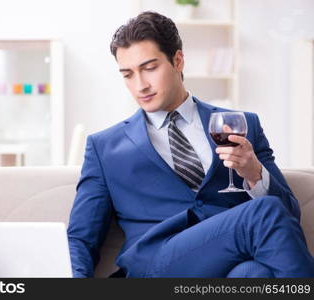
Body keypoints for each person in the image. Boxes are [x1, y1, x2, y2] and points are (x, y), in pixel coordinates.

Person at [67, 11, 314, 278]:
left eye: (150, 68)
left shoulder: (241, 125)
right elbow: (80, 238)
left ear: (178, 60)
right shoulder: (104, 148)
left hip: (228, 260)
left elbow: (288, 216)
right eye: (128, 74)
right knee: (263, 213)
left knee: (254, 274)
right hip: (157, 265)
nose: (140, 85)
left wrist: (254, 173)